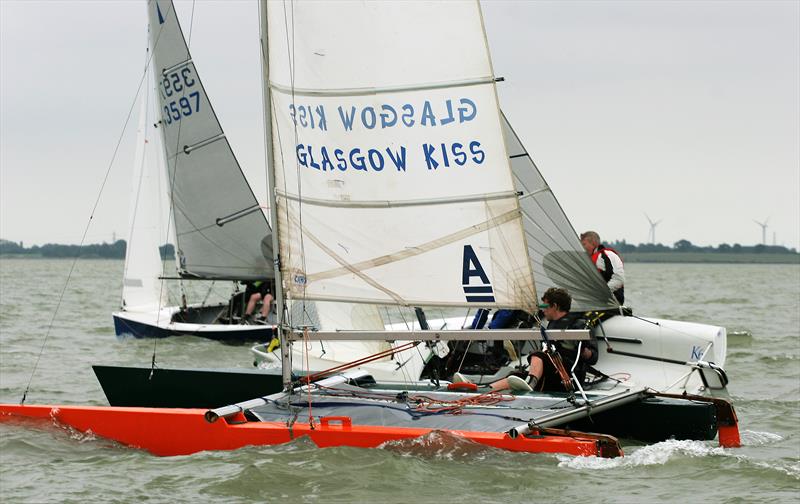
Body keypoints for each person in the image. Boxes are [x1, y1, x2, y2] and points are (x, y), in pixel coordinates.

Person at [454, 287, 597, 393]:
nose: (543, 311)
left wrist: (581, 348)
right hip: (551, 373)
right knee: (515, 376)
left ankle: (531, 383)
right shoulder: (551, 324)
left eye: (545, 306)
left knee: (538, 355)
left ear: (555, 306)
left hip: (567, 376)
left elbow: (593, 357)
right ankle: (479, 390)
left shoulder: (580, 325)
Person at [580, 230, 625, 304]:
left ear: (593, 243)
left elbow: (619, 279)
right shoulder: (588, 260)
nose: (582, 247)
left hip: (610, 302)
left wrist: (600, 294)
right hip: (593, 302)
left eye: (584, 244)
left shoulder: (609, 255)